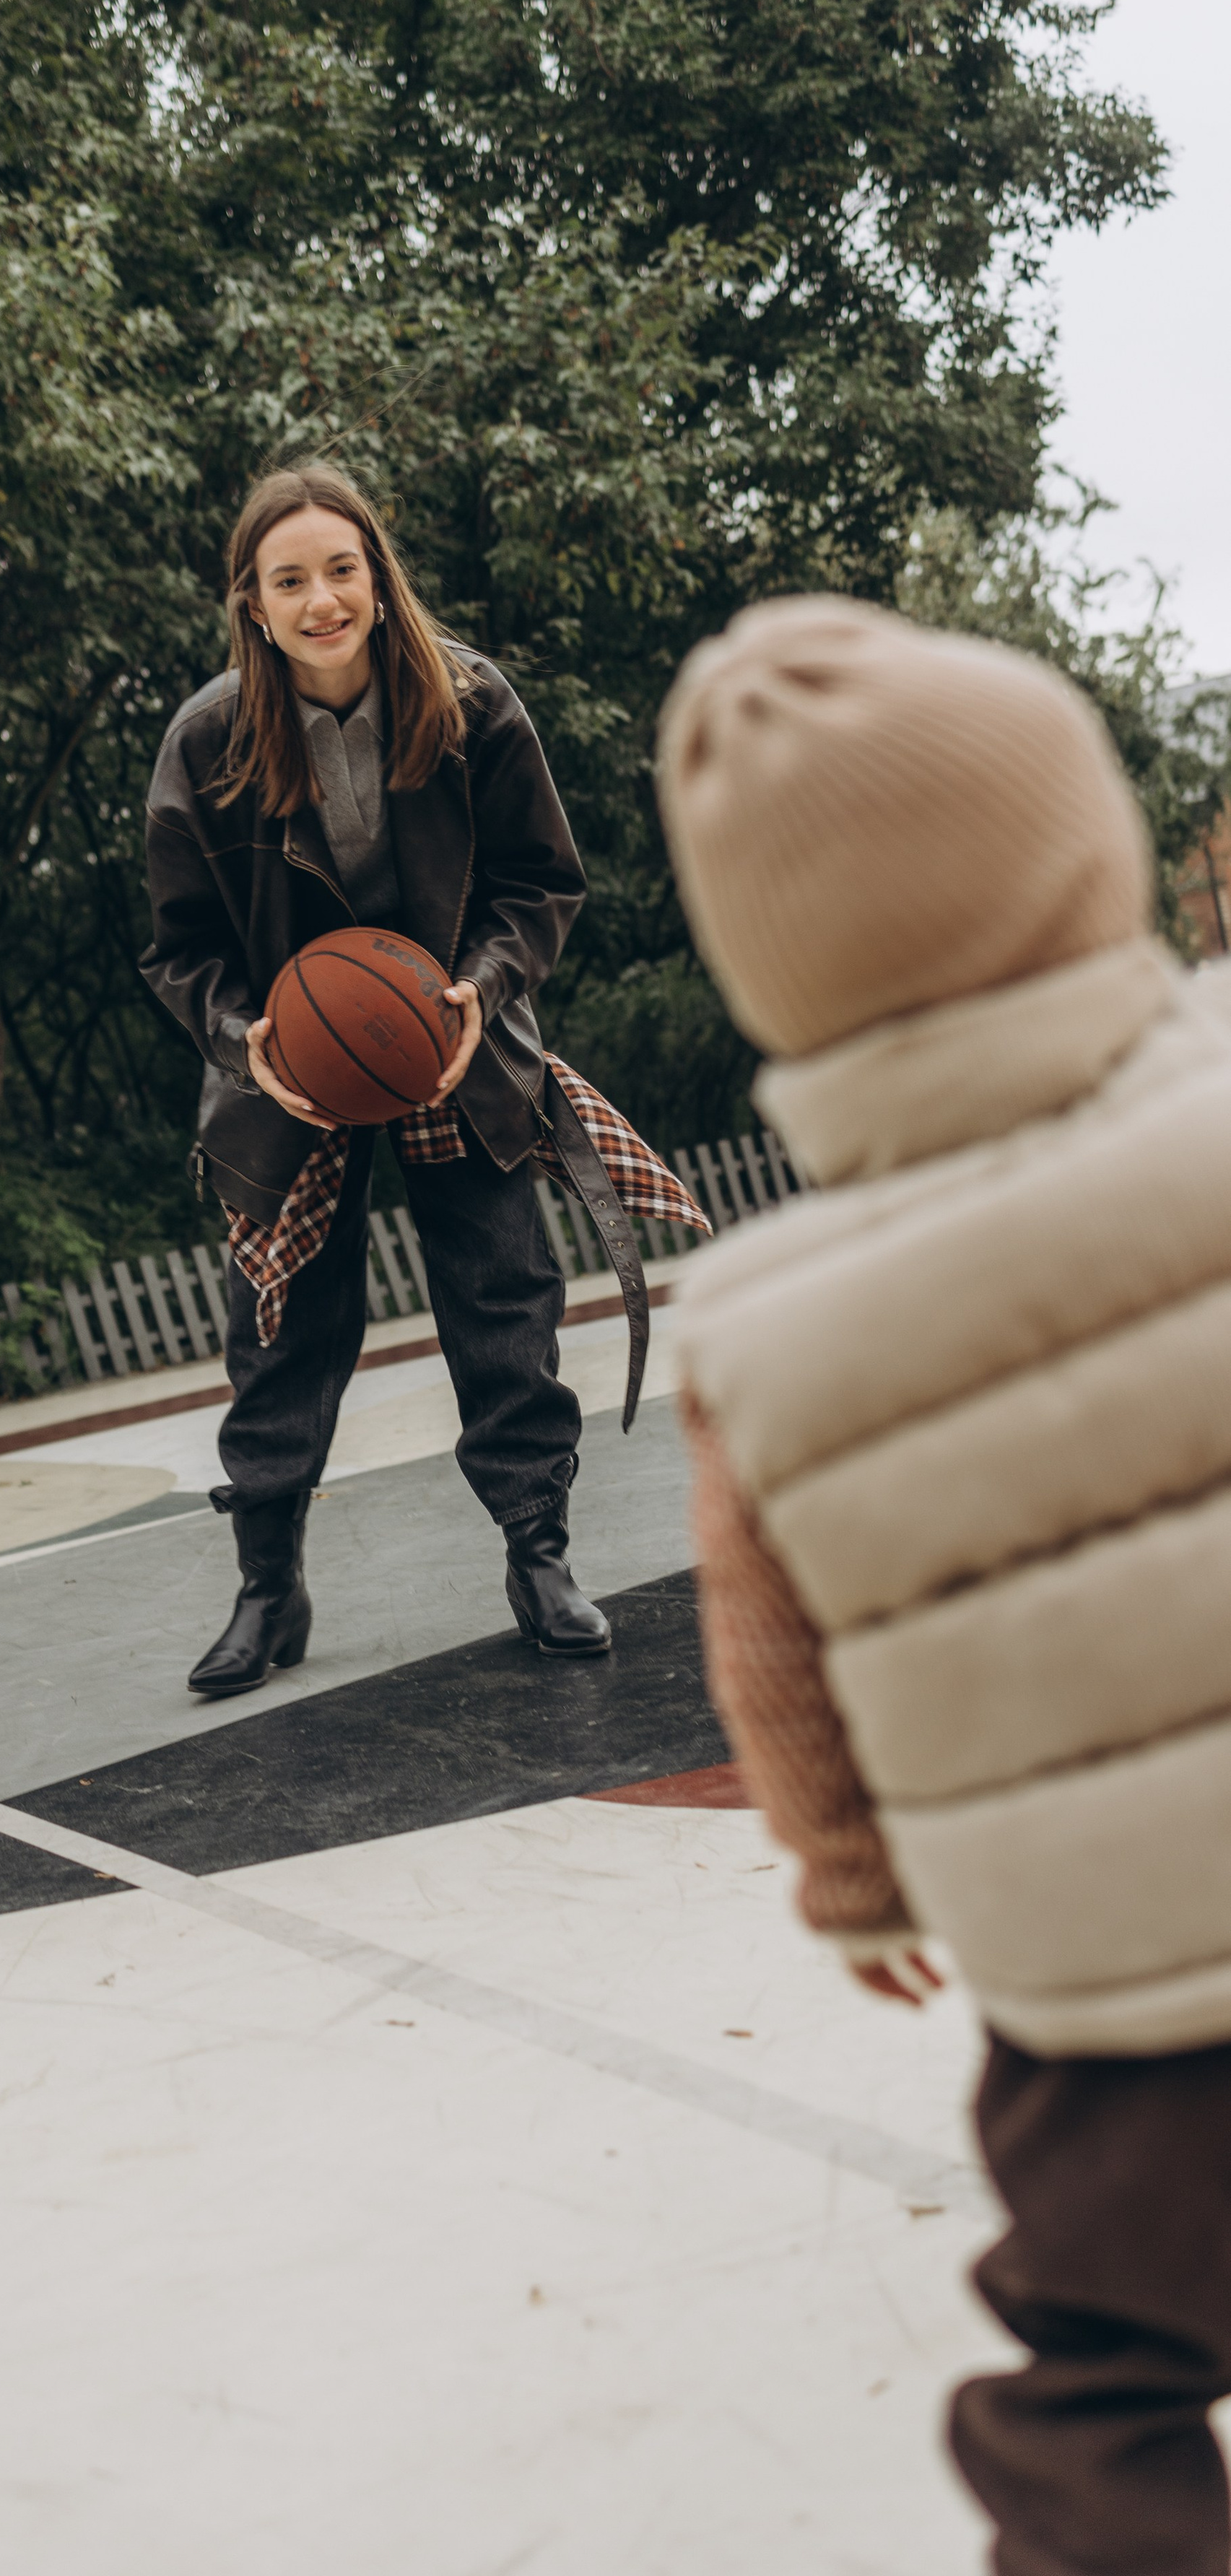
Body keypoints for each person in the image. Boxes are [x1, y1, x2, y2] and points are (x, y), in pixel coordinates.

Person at [656, 593, 1231, 2575]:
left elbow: (774, 1661)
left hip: (1109, 2012)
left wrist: (852, 1878)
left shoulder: (757, 1327)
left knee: (1102, 2369)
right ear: (1092, 844)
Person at [139, 462, 698, 1697]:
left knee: (505, 1305)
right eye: (291, 579)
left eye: (342, 570)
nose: (322, 598)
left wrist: (482, 991)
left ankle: (539, 1556)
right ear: (255, 601)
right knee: (279, 1333)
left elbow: (543, 884)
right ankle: (268, 1590)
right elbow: (179, 951)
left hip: (444, 1042)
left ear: (378, 581)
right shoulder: (208, 741)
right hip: (299, 1072)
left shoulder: (473, 704)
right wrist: (250, 1045)